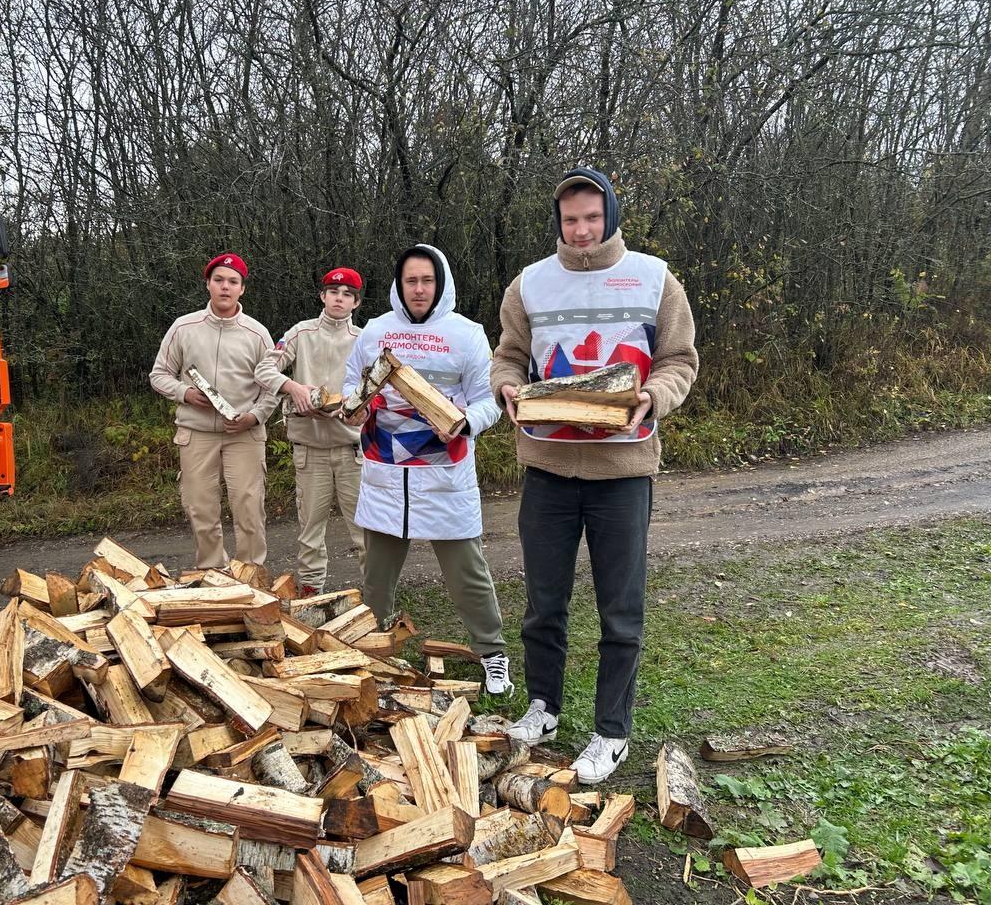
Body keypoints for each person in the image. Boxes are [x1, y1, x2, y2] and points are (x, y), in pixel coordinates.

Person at [492, 167, 698, 783]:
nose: (581, 230)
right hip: (547, 464)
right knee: (543, 602)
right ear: (558, 222)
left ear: (610, 215)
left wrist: (655, 396)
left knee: (620, 610)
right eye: (570, 220)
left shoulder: (655, 278)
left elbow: (679, 360)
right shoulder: (529, 283)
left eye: (591, 217)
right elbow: (508, 355)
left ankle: (611, 731)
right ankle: (543, 708)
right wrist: (506, 386)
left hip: (623, 470)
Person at [343, 244, 513, 695]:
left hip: (443, 474)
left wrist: (464, 422)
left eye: (427, 280)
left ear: (441, 283)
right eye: (411, 281)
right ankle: (372, 650)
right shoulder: (376, 331)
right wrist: (355, 408)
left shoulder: (466, 334)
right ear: (399, 285)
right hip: (385, 472)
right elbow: (352, 383)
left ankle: (492, 652)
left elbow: (488, 400)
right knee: (376, 577)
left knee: (467, 572)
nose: (419, 289)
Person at [150, 252, 280, 569]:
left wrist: (254, 417)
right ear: (207, 283)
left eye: (233, 282)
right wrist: (185, 393)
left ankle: (251, 573)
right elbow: (159, 375)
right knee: (200, 508)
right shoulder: (184, 327)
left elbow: (273, 387)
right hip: (196, 433)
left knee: (249, 507)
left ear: (242, 289)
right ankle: (212, 572)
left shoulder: (257, 333)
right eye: (219, 280)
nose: (225, 287)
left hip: (244, 435)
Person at [254, 268, 367, 595]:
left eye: (347, 294)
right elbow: (263, 369)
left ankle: (375, 600)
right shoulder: (300, 333)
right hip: (310, 450)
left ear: (356, 302)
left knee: (365, 531)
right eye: (334, 292)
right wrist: (293, 387)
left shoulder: (363, 339)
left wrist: (361, 408)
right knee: (310, 533)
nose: (339, 299)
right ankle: (310, 596)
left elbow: (377, 386)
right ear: (322, 296)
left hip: (352, 451)